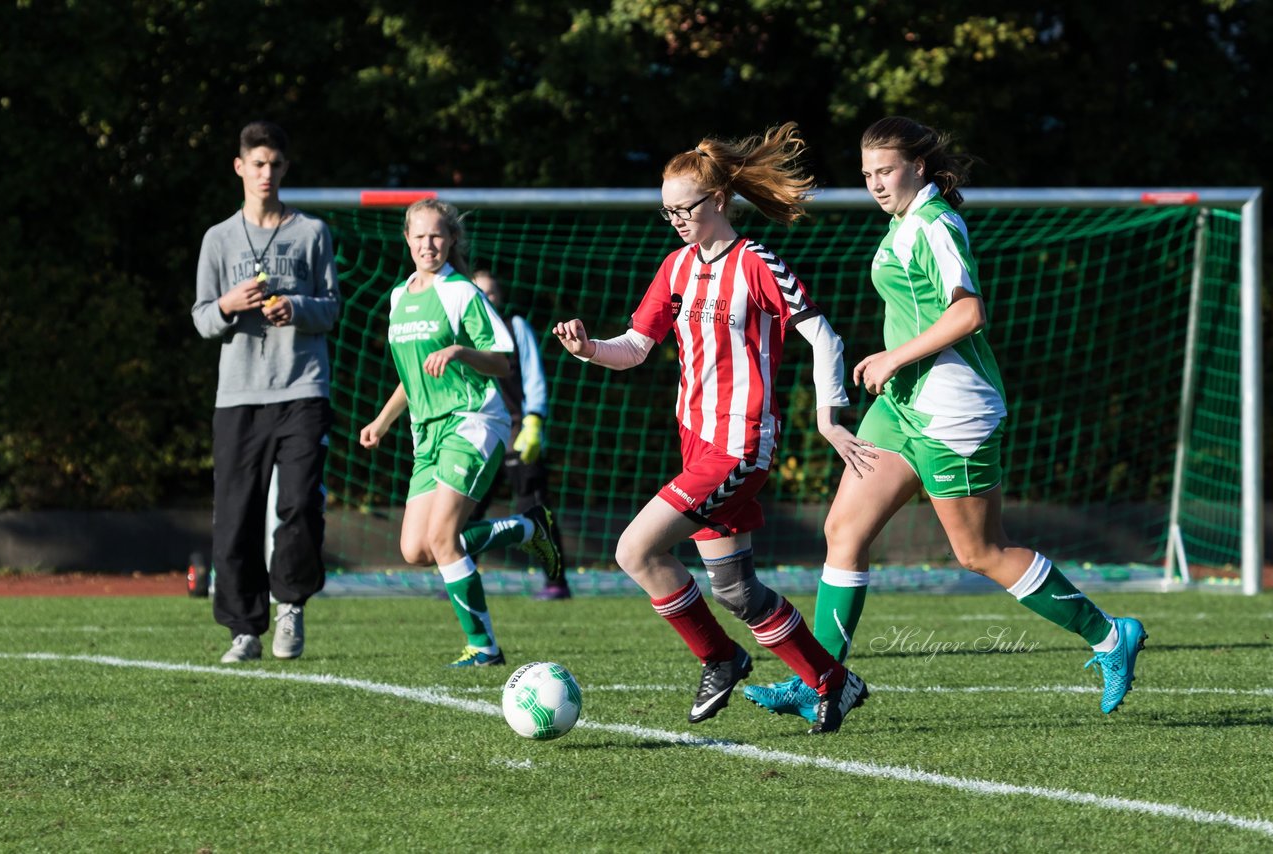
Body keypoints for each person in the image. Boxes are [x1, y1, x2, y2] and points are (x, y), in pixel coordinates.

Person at [744, 115, 1148, 721]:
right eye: (867, 174)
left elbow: (969, 314)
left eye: (886, 171)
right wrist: (895, 370)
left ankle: (1111, 635)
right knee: (843, 533)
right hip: (902, 407)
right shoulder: (905, 221)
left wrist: (892, 357)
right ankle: (820, 680)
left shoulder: (935, 224)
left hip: (952, 411)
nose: (876, 183)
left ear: (919, 167)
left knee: (981, 552)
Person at [553, 123, 874, 734]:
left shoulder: (756, 264)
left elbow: (824, 336)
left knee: (634, 549)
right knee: (735, 592)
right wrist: (589, 347)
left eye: (686, 208)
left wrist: (829, 417)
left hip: (739, 445)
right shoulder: (675, 269)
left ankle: (721, 658)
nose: (676, 219)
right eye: (667, 210)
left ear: (721, 201)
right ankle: (833, 681)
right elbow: (636, 347)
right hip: (698, 444)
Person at [359, 199, 562, 667]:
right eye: (420, 236)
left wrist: (459, 351)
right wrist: (383, 420)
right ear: (406, 240)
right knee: (415, 549)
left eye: (437, 236)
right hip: (426, 433)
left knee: (444, 538)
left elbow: (501, 359)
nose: (428, 244)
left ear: (450, 241)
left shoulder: (461, 293)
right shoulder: (399, 297)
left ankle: (484, 646)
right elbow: (413, 378)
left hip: (472, 421)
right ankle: (529, 527)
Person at [191, 120, 340, 663]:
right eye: (257, 163)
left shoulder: (312, 233)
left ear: (285, 168)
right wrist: (231, 304)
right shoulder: (218, 238)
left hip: (302, 388)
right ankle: (243, 629)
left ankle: (291, 606)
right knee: (236, 515)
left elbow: (332, 308)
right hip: (238, 397)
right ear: (240, 167)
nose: (266, 174)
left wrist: (293, 308)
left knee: (300, 503)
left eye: (275, 164)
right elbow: (203, 319)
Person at [470, 268, 572, 600]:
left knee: (534, 508)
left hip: (517, 434)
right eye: (479, 292)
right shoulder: (463, 335)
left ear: (500, 297)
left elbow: (534, 378)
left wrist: (533, 422)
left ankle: (556, 581)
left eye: (492, 292)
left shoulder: (515, 328)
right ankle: (461, 577)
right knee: (467, 510)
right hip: (478, 437)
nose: (486, 299)